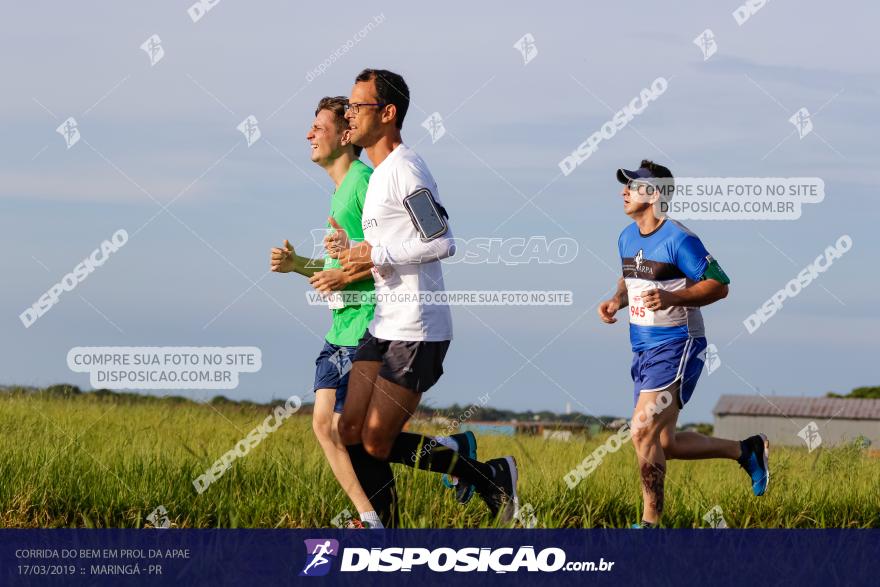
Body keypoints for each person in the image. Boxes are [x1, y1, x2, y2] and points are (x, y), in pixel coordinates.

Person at [328, 68, 519, 528]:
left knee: (376, 440)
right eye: (349, 107)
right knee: (348, 429)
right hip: (383, 323)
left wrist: (376, 252)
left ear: (388, 113)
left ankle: (491, 476)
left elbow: (441, 240)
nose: (349, 114)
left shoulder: (406, 169)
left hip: (417, 326)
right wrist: (356, 257)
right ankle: (384, 533)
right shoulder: (375, 178)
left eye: (358, 106)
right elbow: (386, 252)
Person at [597, 160, 769, 528]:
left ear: (654, 194)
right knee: (665, 443)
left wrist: (674, 299)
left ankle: (650, 524)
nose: (623, 191)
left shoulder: (679, 238)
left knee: (641, 430)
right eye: (624, 186)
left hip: (678, 344)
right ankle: (746, 450)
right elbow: (630, 279)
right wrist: (615, 300)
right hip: (641, 348)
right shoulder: (626, 236)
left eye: (632, 185)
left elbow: (719, 284)